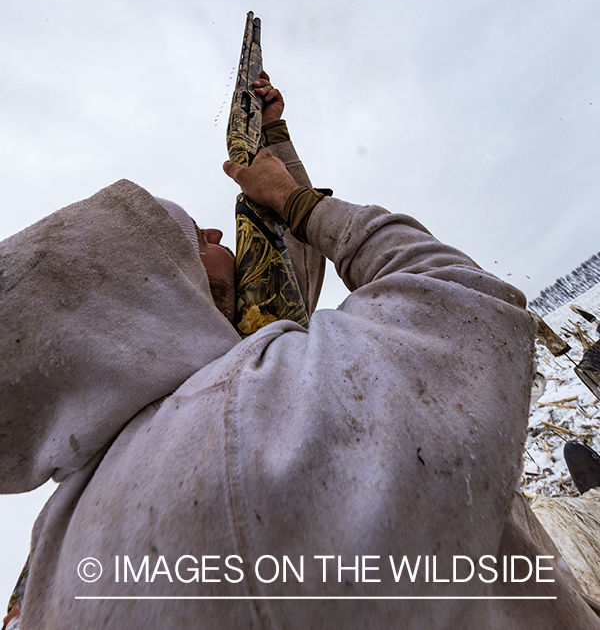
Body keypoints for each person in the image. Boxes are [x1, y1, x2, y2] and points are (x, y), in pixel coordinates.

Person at [2, 79, 600, 630]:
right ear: (144, 290)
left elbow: (276, 299)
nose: (215, 235)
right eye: (189, 238)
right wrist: (299, 201)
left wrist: (273, 145)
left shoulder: (64, 532)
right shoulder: (245, 425)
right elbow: (461, 297)